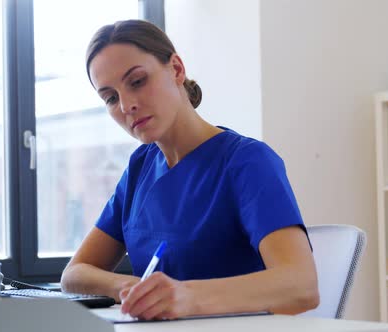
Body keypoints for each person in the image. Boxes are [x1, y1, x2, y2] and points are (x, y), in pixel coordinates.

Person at [60, 19, 319, 320]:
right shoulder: (140, 167)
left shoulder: (247, 161)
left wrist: (186, 297)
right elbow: (74, 275)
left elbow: (302, 286)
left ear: (177, 69)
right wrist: (131, 288)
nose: (126, 105)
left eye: (137, 81)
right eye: (111, 98)